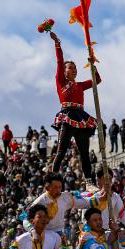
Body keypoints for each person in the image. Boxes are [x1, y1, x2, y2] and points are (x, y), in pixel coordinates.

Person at [48, 30, 100, 184]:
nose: (74, 69)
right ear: (64, 71)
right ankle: (52, 179)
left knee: (84, 153)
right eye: (70, 67)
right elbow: (59, 61)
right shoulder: (61, 81)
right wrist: (57, 43)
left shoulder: (80, 85)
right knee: (62, 150)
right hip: (67, 115)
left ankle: (90, 182)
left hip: (81, 117)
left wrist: (93, 65)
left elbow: (97, 80)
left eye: (75, 67)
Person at [28, 173, 92, 238]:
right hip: (44, 235)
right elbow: (26, 220)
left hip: (60, 234)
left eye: (60, 187)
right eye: (55, 187)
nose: (58, 190)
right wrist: (33, 231)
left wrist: (95, 199)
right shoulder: (39, 202)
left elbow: (84, 202)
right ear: (47, 187)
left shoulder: (65, 197)